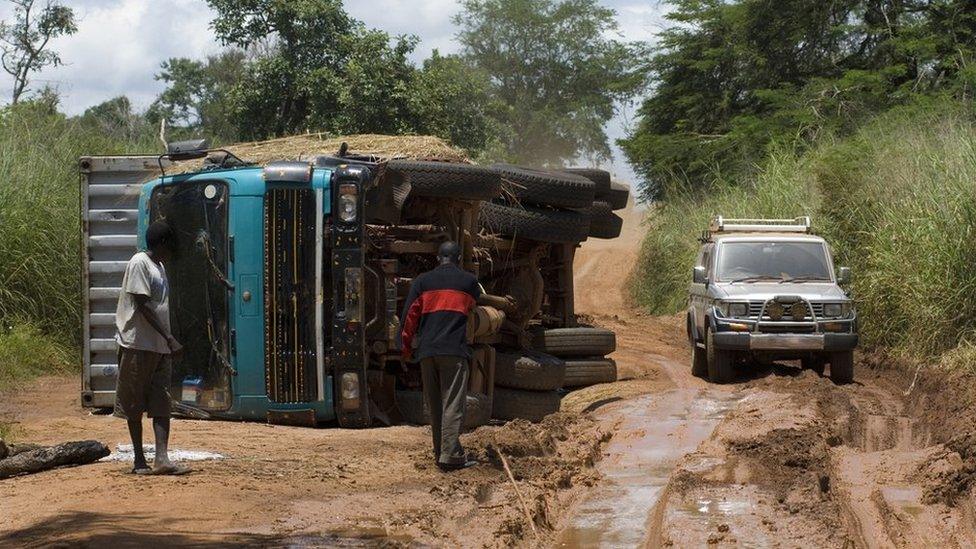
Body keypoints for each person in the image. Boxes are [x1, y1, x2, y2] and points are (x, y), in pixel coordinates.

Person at [113, 220, 189, 475]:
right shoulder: (139, 263)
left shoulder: (160, 267)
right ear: (163, 243)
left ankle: (162, 458)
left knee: (161, 403)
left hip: (158, 348)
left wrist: (166, 340)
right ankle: (138, 459)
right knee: (133, 403)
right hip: (138, 344)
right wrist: (169, 337)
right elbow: (143, 304)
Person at [400, 241, 482, 471]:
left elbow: (409, 318)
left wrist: (406, 349)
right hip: (453, 352)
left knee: (435, 405)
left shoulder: (422, 282)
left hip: (427, 352)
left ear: (438, 258)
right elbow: (474, 305)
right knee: (453, 404)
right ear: (457, 259)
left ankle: (441, 453)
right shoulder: (469, 282)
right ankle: (451, 456)